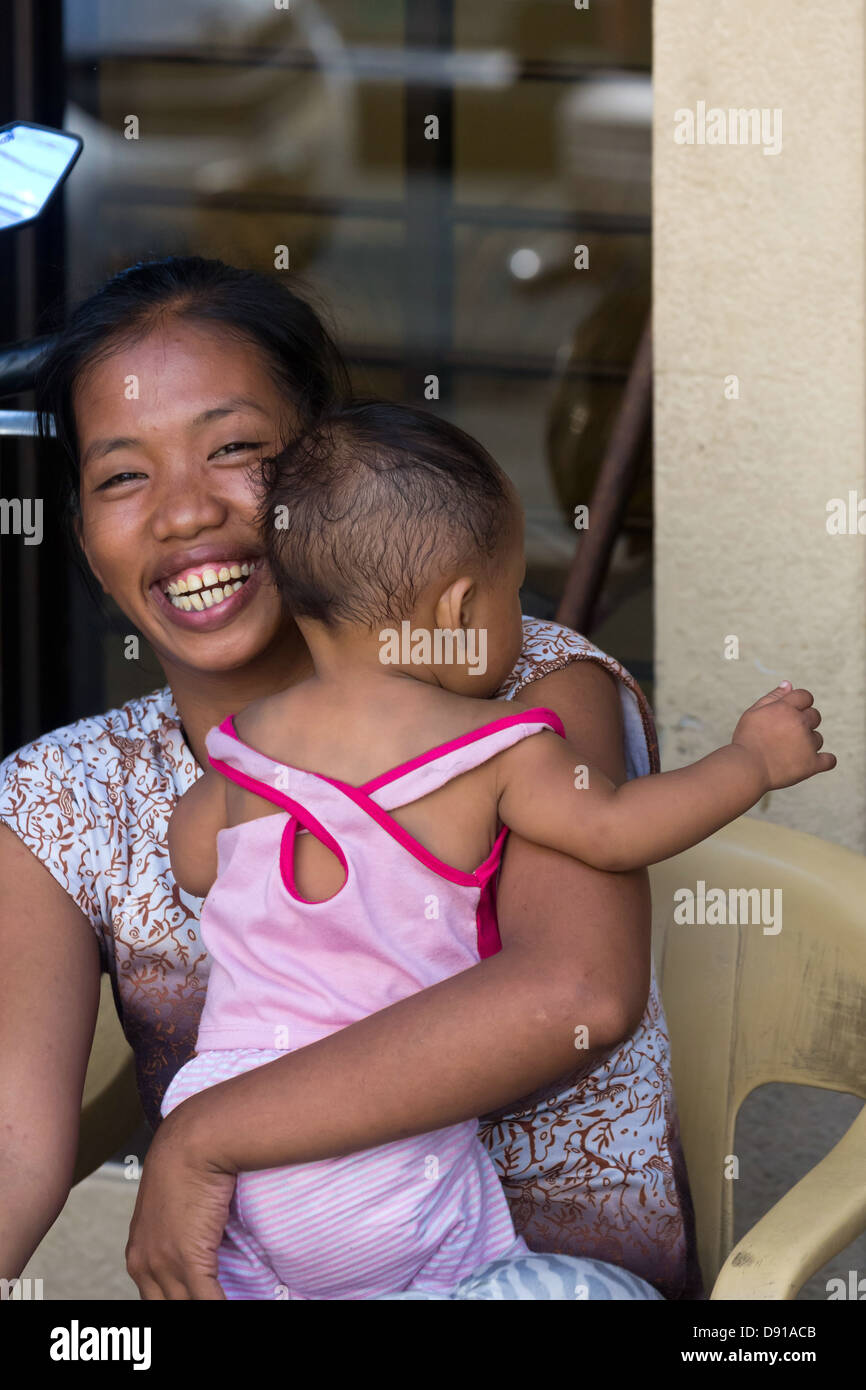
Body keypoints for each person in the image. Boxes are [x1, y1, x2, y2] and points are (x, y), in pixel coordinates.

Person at [0, 257, 700, 1300]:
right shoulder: (63, 794)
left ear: (331, 474)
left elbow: (574, 993)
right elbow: (15, 1140)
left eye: (234, 450)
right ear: (83, 534)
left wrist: (206, 1137)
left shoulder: (526, 700)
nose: (184, 512)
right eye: (121, 475)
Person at [158, 401, 831, 1300]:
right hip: (370, 1167)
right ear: (461, 606)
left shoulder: (246, 746)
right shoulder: (495, 749)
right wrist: (750, 764)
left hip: (233, 1153)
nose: (521, 620)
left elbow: (192, 858)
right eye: (515, 595)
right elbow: (617, 827)